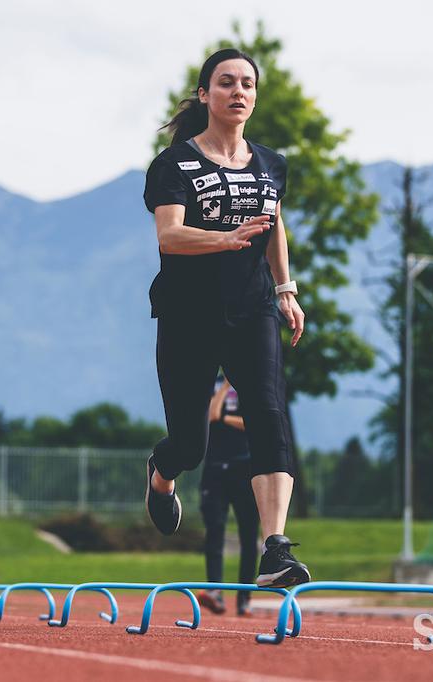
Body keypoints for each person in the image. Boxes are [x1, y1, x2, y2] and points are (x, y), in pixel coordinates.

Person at [142, 47, 311, 588]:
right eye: (226, 83)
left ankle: (276, 549)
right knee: (191, 444)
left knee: (267, 412)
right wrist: (225, 238)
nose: (238, 91)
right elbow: (169, 236)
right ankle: (161, 475)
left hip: (252, 307)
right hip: (188, 316)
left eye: (247, 84)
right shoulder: (173, 165)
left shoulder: (270, 164)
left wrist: (285, 287)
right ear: (204, 95)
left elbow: (273, 224)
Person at [197, 374, 260, 615]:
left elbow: (253, 421)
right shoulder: (210, 381)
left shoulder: (250, 380)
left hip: (245, 467)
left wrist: (224, 417)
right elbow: (210, 415)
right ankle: (215, 592)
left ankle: (245, 597)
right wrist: (224, 385)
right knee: (214, 529)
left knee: (249, 535)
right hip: (214, 467)